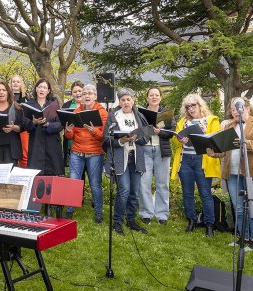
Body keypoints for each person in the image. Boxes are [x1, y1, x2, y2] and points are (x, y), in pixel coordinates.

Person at [208, 97, 253, 249]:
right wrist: (216, 153)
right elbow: (225, 150)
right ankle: (242, 238)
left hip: (252, 172)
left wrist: (244, 142)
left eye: (238, 108)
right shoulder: (229, 125)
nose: (235, 112)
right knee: (239, 207)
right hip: (232, 172)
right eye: (233, 109)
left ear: (247, 108)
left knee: (252, 206)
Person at [171, 94, 221, 237]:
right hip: (185, 159)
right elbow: (176, 143)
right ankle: (191, 220)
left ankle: (209, 224)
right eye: (188, 106)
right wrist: (181, 141)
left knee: (205, 193)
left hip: (202, 160)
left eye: (193, 105)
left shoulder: (212, 120)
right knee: (187, 193)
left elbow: (216, 141)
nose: (191, 109)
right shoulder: (183, 121)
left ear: (200, 105)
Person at [103, 88, 150, 234]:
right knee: (123, 190)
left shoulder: (140, 116)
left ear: (133, 100)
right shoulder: (113, 116)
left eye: (128, 99)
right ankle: (117, 221)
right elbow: (106, 140)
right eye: (123, 100)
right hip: (120, 157)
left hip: (136, 158)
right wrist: (121, 141)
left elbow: (146, 137)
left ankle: (131, 220)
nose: (126, 102)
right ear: (119, 101)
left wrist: (138, 138)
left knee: (134, 192)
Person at [64, 84, 107, 223]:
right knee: (73, 182)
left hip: (94, 153)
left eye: (90, 93)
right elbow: (70, 136)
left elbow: (104, 136)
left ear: (95, 96)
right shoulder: (76, 111)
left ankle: (98, 212)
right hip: (77, 152)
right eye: (85, 93)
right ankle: (70, 210)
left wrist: (93, 130)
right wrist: (69, 131)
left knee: (95, 184)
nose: (87, 96)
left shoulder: (102, 112)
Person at [139, 87, 176, 225]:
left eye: (156, 95)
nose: (154, 97)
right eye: (151, 95)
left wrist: (160, 132)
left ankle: (162, 215)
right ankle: (146, 213)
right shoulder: (140, 114)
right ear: (147, 98)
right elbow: (137, 132)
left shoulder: (166, 113)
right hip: (145, 150)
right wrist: (149, 130)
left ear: (160, 97)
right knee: (144, 183)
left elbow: (172, 132)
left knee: (162, 184)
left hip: (162, 151)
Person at [24, 78, 64, 176]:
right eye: (40, 87)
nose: (42, 89)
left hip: (52, 146)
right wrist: (33, 122)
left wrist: (48, 125)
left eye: (45, 88)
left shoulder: (54, 105)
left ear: (48, 91)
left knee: (52, 178)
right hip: (36, 146)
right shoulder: (28, 105)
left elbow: (61, 124)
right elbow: (24, 124)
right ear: (36, 89)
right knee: (36, 178)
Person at [61, 81, 85, 167]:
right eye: (75, 92)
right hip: (71, 143)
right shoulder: (66, 105)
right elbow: (62, 122)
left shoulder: (89, 103)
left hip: (87, 143)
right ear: (72, 93)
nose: (77, 93)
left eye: (79, 91)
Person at [9, 75, 29, 168]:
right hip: (9, 129)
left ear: (21, 84)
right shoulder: (6, 97)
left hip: (22, 129)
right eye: (13, 81)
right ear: (10, 84)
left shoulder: (26, 99)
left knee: (24, 154)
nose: (15, 83)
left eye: (18, 81)